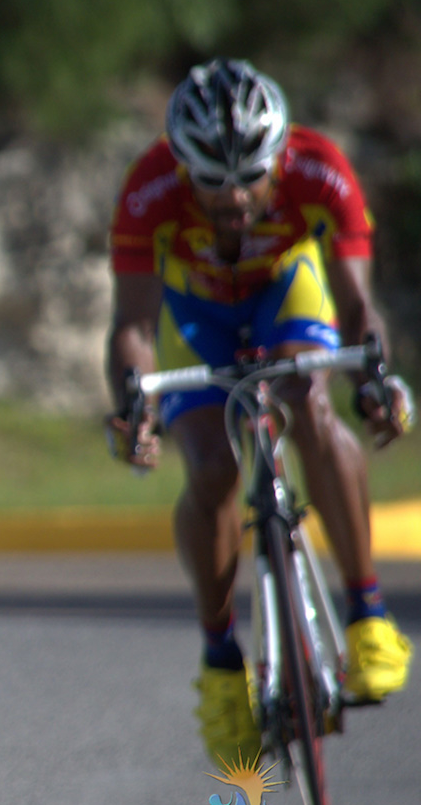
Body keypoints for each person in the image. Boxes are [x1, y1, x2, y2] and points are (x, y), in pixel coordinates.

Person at [104, 58, 414, 768]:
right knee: (211, 464)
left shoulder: (321, 170)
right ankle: (221, 663)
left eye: (251, 176)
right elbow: (133, 324)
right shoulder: (148, 190)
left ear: (281, 158)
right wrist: (133, 405)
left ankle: (367, 614)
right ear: (182, 169)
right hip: (196, 313)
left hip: (285, 291)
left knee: (310, 401)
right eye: (213, 181)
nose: (235, 196)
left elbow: (359, 307)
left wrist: (374, 381)